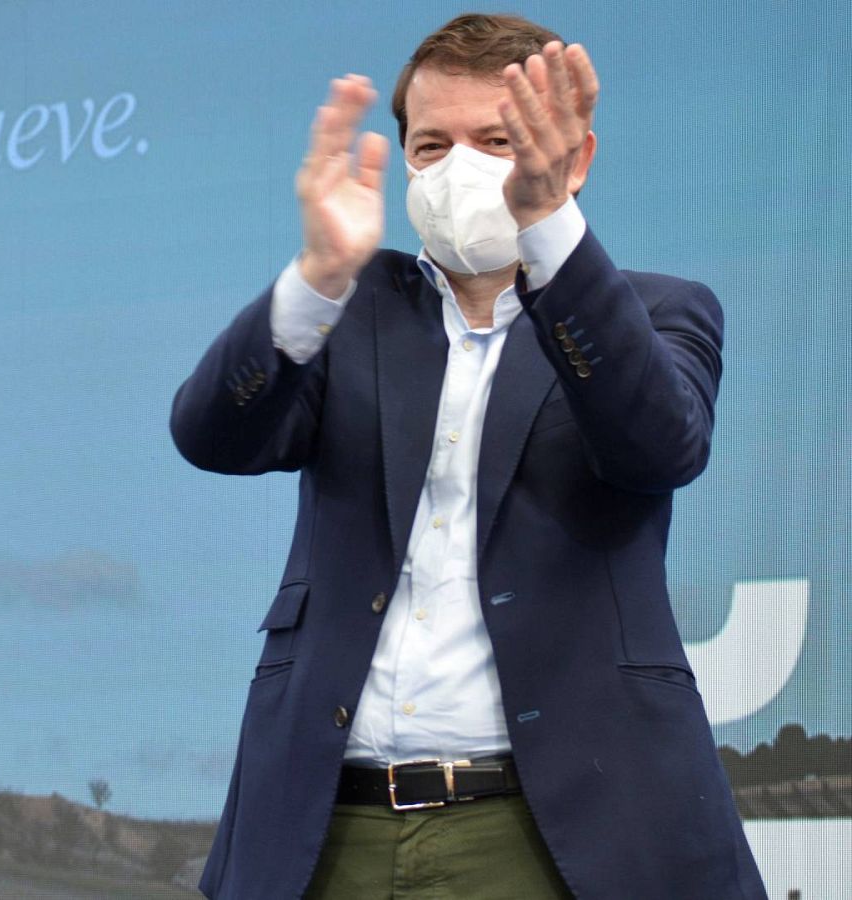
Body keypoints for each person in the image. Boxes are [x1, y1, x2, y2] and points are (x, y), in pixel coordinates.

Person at [170, 13, 764, 899]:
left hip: (557, 828)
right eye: (432, 145)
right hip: (326, 830)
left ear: (576, 153)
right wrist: (318, 276)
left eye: (500, 139)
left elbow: (657, 445)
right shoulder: (347, 310)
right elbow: (212, 435)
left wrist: (547, 225)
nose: (464, 168)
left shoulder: (656, 311)